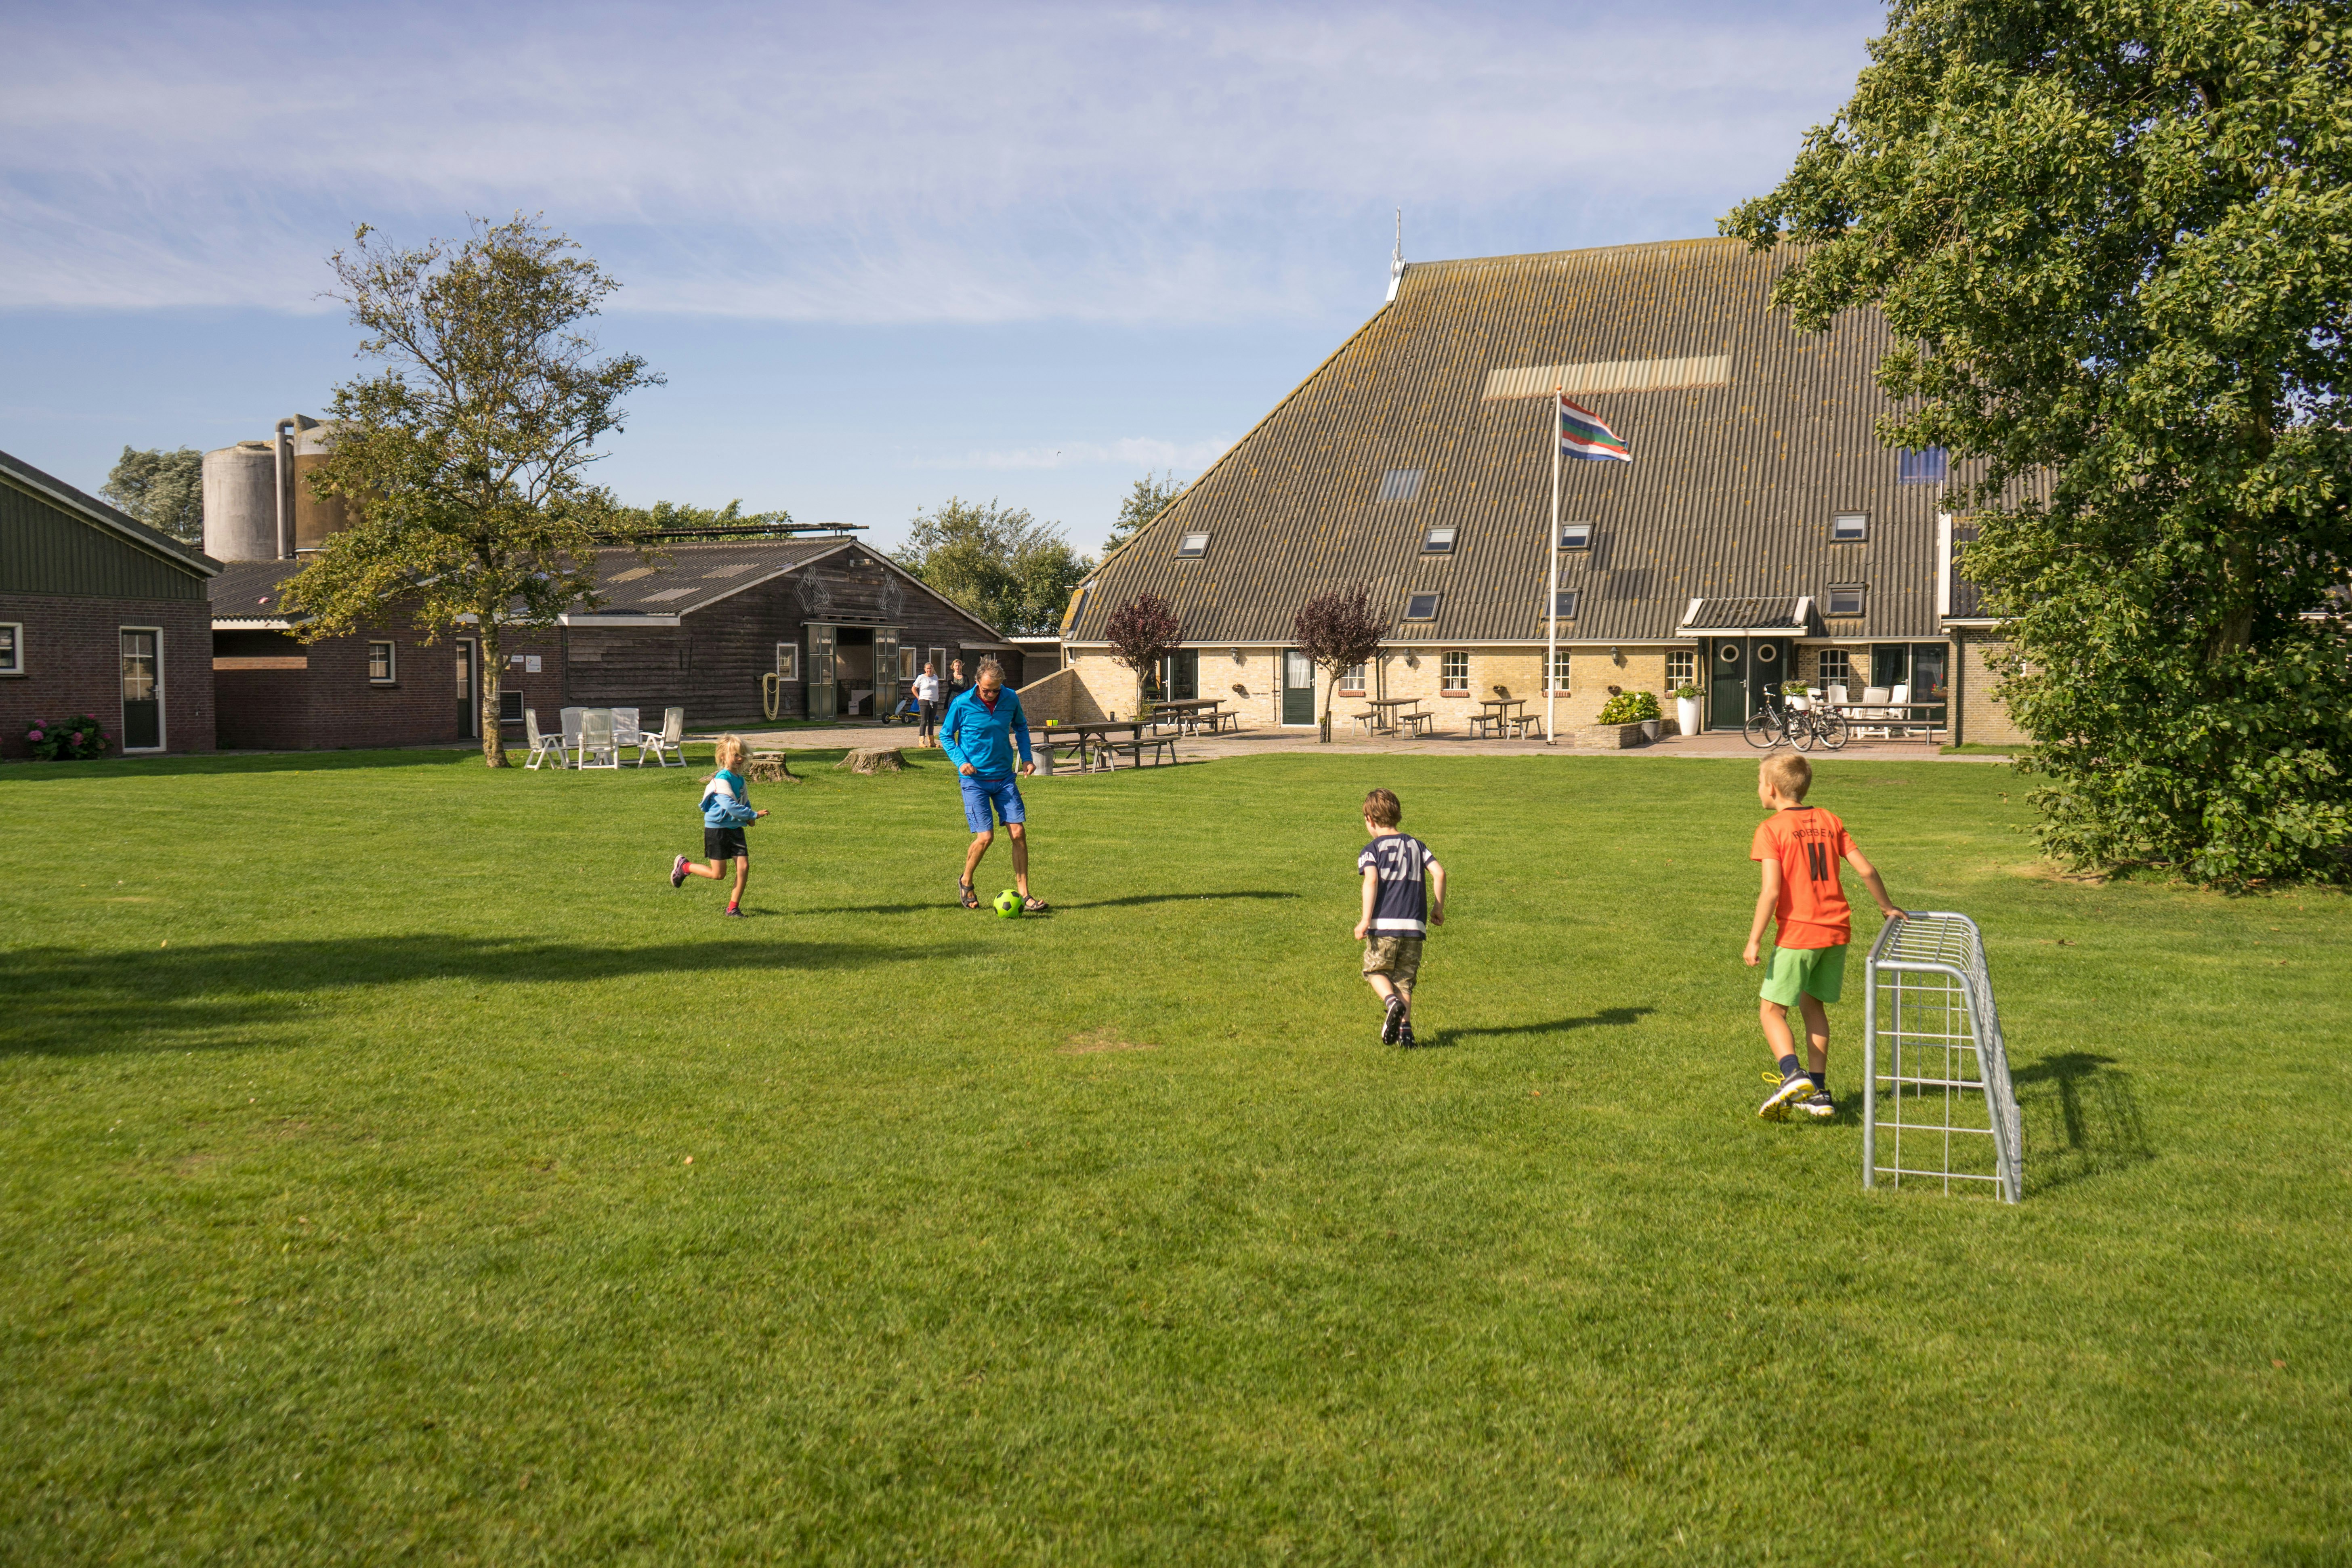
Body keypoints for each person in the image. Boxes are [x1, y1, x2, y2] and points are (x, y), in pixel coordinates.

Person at [1744, 751, 1907, 1121]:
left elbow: (1770, 891)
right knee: (1812, 1006)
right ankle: (1818, 1092)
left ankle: (1791, 1075)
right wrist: (1886, 906)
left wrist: (1754, 939)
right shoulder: (1830, 820)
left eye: (1758, 783)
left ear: (1770, 789)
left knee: (1772, 1011)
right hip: (1836, 931)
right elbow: (1865, 868)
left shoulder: (1771, 829)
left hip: (1799, 932)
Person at [939, 659, 1047, 912]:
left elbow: (1020, 726)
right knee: (985, 837)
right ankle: (966, 881)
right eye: (987, 690)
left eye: (995, 690)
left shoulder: (1010, 699)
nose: (991, 694)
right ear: (977, 683)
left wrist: (1028, 758)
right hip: (974, 781)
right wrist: (960, 761)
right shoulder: (962, 703)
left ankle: (1024, 895)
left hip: (1004, 778)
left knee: (1019, 833)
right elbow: (946, 735)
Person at [1352, 787, 1445, 1047]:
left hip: (1385, 925)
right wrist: (1437, 908)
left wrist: (1365, 920)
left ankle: (1391, 1003)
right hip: (1415, 926)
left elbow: (1371, 880)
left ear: (1370, 820)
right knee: (1404, 980)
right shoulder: (1417, 845)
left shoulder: (1371, 850)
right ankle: (1406, 1034)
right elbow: (1439, 873)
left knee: (1374, 971)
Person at [670, 733, 768, 917]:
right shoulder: (721, 780)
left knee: (744, 867)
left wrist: (749, 816)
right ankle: (685, 867)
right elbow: (731, 807)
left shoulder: (740, 779)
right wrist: (753, 815)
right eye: (736, 755)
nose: (740, 759)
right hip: (717, 830)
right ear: (723, 756)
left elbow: (743, 802)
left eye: (742, 755)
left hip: (735, 829)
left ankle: (733, 908)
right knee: (718, 874)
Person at [913, 661, 943, 747]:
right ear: (925, 669)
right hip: (924, 701)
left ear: (933, 669)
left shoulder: (936, 677)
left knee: (932, 721)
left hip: (934, 701)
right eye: (927, 669)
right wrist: (919, 698)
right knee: (924, 721)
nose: (929, 670)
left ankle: (932, 742)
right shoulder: (921, 677)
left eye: (930, 669)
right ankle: (922, 741)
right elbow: (914, 689)